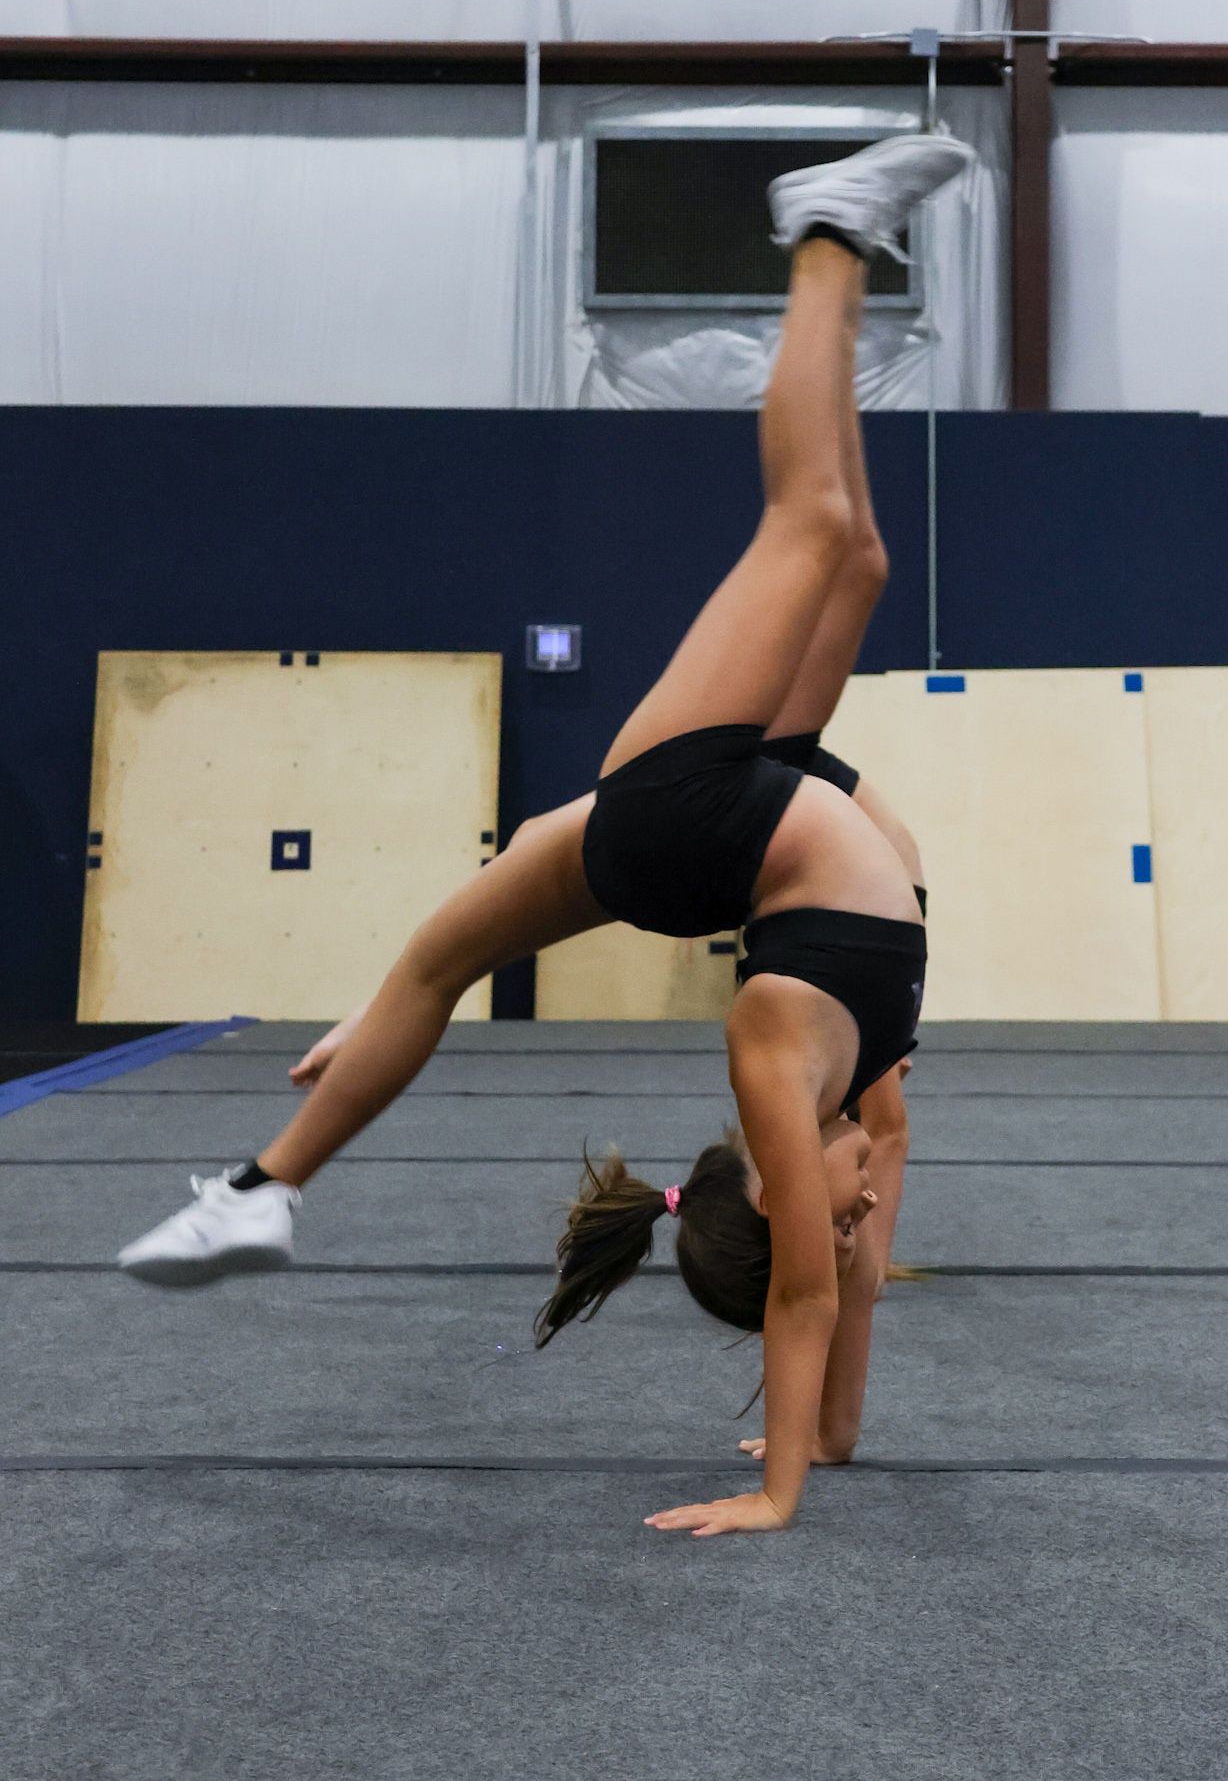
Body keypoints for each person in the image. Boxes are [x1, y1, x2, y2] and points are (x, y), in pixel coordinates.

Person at [117, 126, 971, 1537]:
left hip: (697, 818)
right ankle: (263, 1185)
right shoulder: (864, 1098)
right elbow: (845, 1286)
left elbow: (813, 1286)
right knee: (862, 560)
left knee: (810, 523)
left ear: (769, 1183)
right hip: (735, 812)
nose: (876, 1195)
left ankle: (826, 233)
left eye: (844, 1202)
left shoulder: (777, 1059)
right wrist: (824, 1439)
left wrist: (773, 1497)